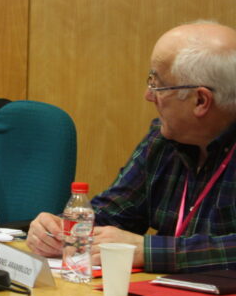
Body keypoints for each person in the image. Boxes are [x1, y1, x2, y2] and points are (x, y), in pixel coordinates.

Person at [26, 21, 236, 273]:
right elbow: (113, 213)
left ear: (200, 100)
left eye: (157, 85)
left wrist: (147, 250)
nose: (148, 95)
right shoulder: (163, 140)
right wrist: (60, 230)